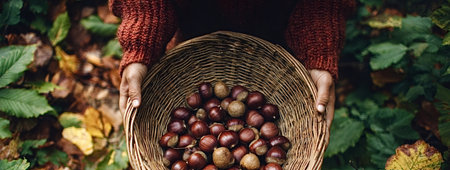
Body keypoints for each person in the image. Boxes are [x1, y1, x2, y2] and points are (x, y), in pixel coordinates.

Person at [109, 0, 355, 130]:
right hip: (195, 25)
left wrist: (319, 48)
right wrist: (141, 44)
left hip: (282, 30)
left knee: (278, 98)